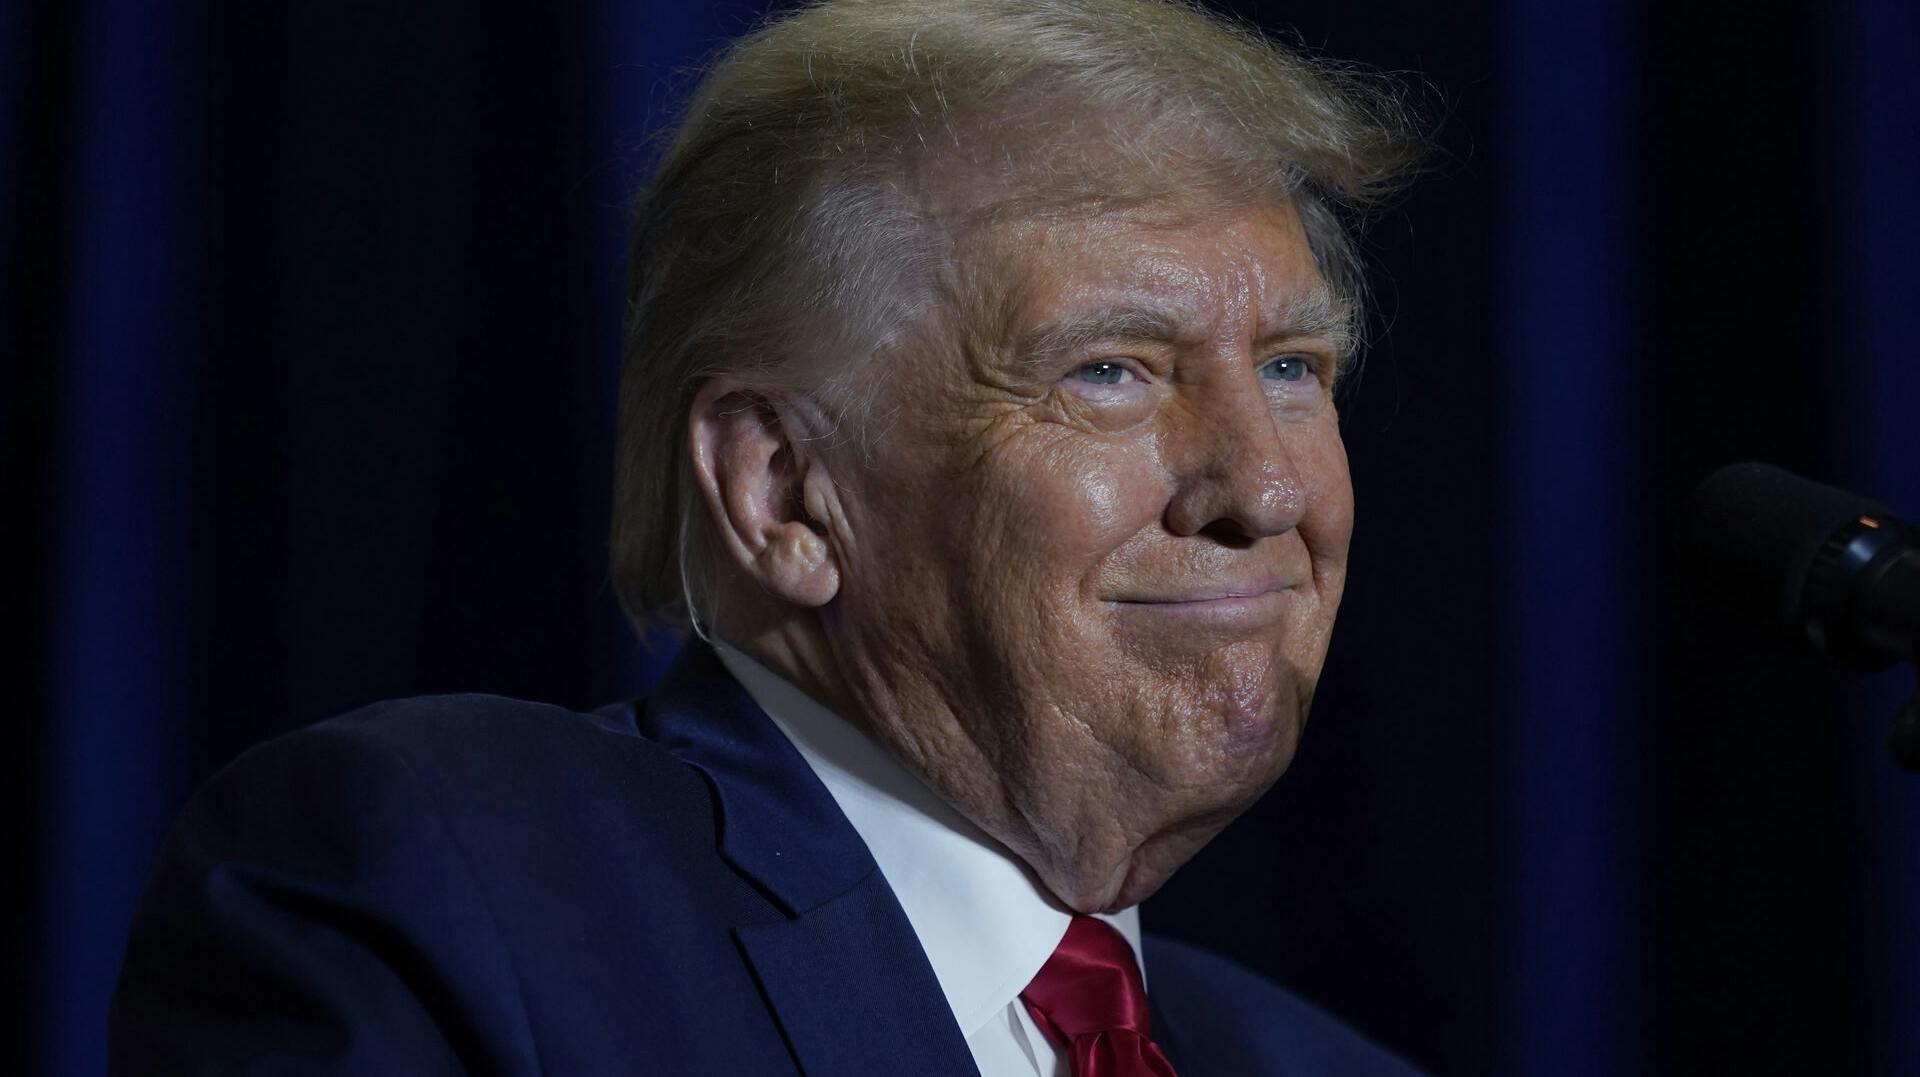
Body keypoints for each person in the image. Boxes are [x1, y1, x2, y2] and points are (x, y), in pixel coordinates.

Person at [111, 0, 1425, 1072]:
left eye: (1296, 367)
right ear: (785, 492)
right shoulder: (435, 890)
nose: (1264, 488)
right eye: (1112, 369)